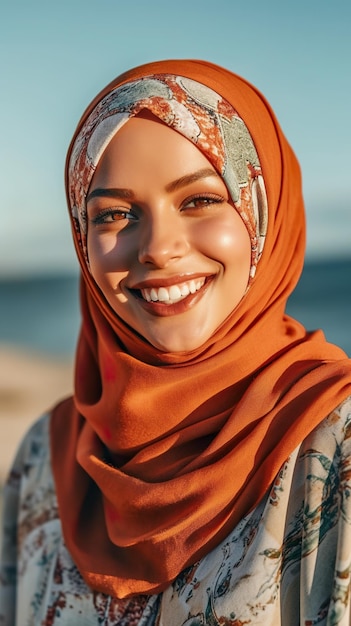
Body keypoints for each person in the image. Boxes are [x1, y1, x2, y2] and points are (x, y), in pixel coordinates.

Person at [1, 59, 351, 626]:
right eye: (115, 214)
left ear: (265, 211)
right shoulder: (45, 458)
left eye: (200, 201)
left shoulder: (334, 443)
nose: (158, 248)